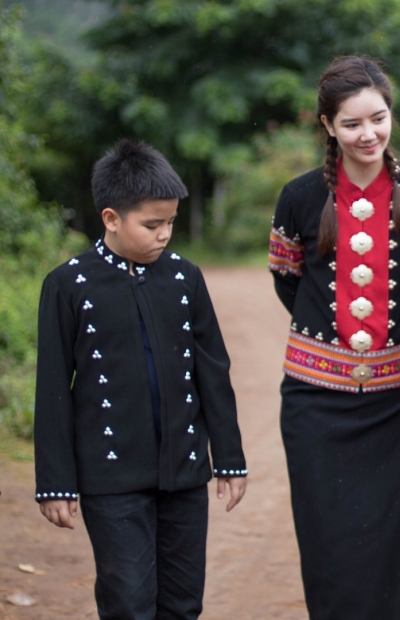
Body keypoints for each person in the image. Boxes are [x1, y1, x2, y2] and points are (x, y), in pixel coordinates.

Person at [268, 55, 400, 619]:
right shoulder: (298, 197)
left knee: (394, 542)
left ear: (391, 115)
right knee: (328, 544)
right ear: (328, 126)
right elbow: (287, 280)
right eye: (351, 123)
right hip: (313, 404)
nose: (367, 133)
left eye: (378, 118)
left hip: (397, 403)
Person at [34, 139, 247, 619]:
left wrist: (229, 459)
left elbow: (213, 371)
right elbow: (52, 390)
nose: (165, 234)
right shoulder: (68, 285)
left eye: (170, 222)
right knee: (128, 602)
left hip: (185, 471)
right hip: (110, 477)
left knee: (183, 602)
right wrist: (54, 482)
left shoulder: (185, 278)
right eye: (152, 224)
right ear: (111, 218)